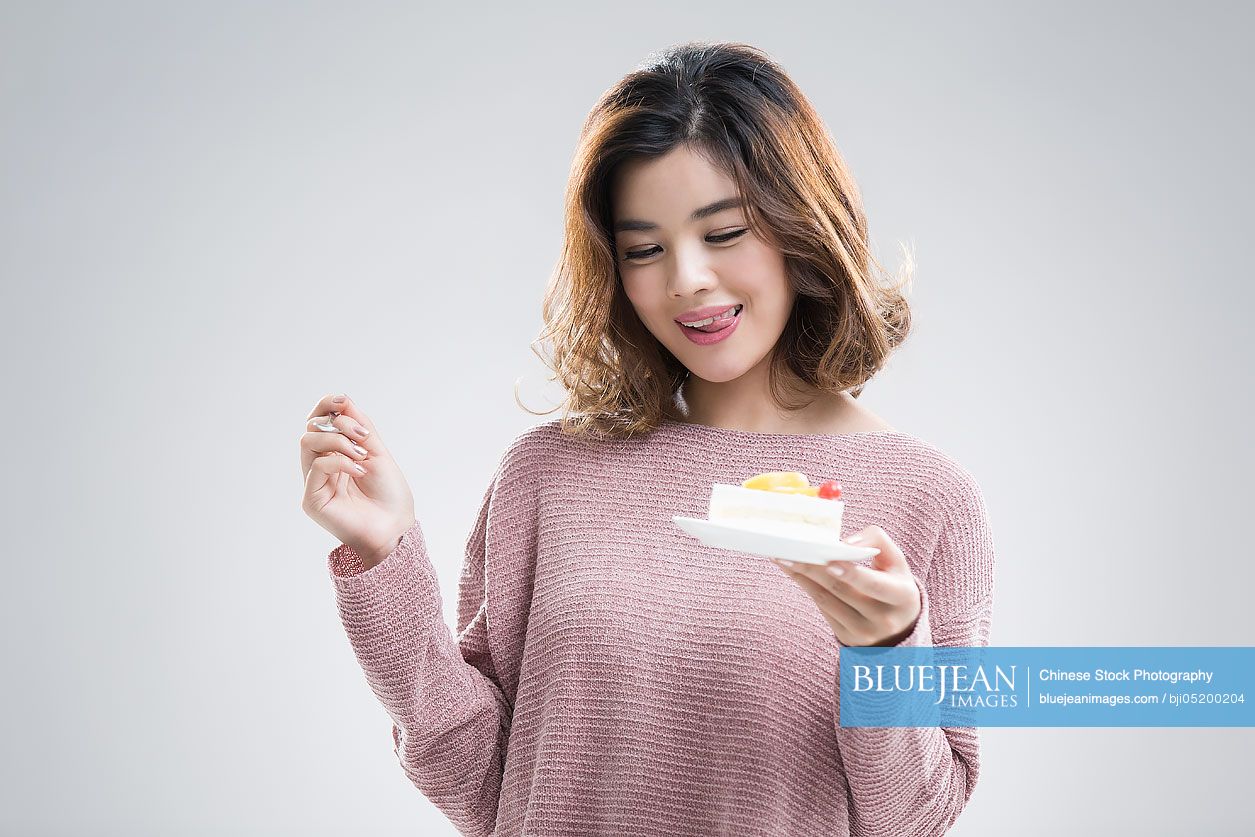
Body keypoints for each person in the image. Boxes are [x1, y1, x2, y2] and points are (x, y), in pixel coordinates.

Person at [300, 41, 996, 837]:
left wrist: (884, 655)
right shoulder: (548, 474)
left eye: (724, 231)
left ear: (801, 229)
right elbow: (480, 781)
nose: (685, 279)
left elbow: (914, 820)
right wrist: (386, 553)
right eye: (643, 249)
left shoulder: (926, 496)